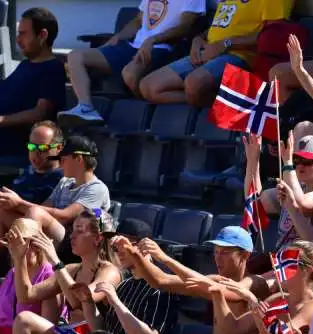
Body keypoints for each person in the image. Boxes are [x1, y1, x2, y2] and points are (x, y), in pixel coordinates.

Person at [2, 209, 121, 334]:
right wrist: (19, 259)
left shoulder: (109, 271)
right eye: (73, 230)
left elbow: (80, 300)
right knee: (24, 320)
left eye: (80, 231)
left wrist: (55, 260)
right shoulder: (73, 269)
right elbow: (26, 296)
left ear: (98, 239)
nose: (72, 236)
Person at [59, 0, 206, 126]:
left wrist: (153, 40)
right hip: (132, 46)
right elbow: (138, 21)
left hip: (161, 48)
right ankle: (86, 108)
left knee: (129, 74)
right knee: (75, 56)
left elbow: (185, 26)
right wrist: (118, 37)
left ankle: (147, 118)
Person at [133, 228, 268, 334]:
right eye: (216, 252)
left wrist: (165, 258)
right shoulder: (215, 281)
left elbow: (229, 292)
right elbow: (161, 281)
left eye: (225, 252)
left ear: (245, 255)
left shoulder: (255, 282)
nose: (218, 258)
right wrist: (134, 254)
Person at [138, 0, 293, 106]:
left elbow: (274, 36)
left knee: (194, 84)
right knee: (149, 87)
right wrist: (198, 39)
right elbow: (221, 26)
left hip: (240, 55)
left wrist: (226, 44)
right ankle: (218, 102)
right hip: (207, 51)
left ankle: (224, 104)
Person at [77, 223, 178, 334]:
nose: (118, 250)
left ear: (145, 248)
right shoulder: (125, 285)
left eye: (124, 244)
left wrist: (116, 301)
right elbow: (103, 330)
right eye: (115, 246)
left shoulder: (162, 289)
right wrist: (87, 302)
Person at [0, 136, 111, 243]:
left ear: (79, 159)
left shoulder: (97, 188)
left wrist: (19, 203)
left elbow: (66, 216)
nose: (60, 165)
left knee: (35, 212)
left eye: (63, 160)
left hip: (74, 239)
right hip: (53, 233)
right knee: (2, 210)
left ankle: (28, 260)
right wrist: (11, 204)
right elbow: (45, 207)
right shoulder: (64, 182)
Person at [0, 8, 65, 166]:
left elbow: (40, 113)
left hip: (15, 148)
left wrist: (1, 120)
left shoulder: (52, 69)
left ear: (42, 35)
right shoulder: (25, 65)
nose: (18, 40)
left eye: (23, 34)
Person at [255, 133, 313, 251]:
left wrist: (288, 164)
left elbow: (301, 204)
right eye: (297, 160)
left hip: (305, 263)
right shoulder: (298, 187)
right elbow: (257, 203)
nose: (299, 166)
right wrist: (253, 161)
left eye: (307, 161)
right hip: (281, 259)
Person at [0, 218, 58, 334]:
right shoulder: (12, 273)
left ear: (36, 246)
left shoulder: (49, 276)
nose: (13, 249)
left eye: (18, 243)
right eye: (11, 243)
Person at [11, 121, 64, 204]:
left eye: (43, 148)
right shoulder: (27, 171)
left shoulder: (65, 181)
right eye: (31, 147)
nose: (36, 153)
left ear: (58, 148)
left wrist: (18, 204)